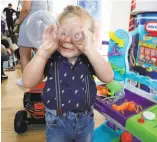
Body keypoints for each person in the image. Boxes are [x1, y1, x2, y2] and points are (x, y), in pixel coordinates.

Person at [22, 5, 114, 142]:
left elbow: (108, 77)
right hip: (57, 122)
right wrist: (43, 53)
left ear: (89, 38)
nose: (67, 39)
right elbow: (28, 82)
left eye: (77, 35)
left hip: (86, 121)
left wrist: (90, 50)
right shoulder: (51, 57)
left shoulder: (89, 57)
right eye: (63, 33)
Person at [15, 0, 48, 86]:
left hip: (28, 21)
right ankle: (39, 79)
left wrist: (19, 20)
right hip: (42, 23)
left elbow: (26, 7)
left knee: (24, 54)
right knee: (40, 54)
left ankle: (26, 81)